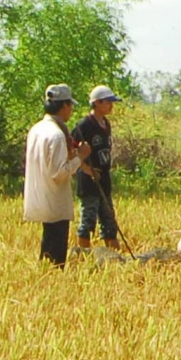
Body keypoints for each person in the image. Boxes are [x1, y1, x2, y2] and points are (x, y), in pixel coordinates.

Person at [23, 84, 92, 267]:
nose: (71, 110)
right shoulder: (56, 135)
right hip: (54, 199)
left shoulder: (36, 129)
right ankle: (51, 278)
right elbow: (59, 173)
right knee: (55, 253)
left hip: (39, 195)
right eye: (70, 106)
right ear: (64, 106)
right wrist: (80, 157)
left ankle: (45, 277)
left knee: (48, 244)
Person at [71, 85, 122, 250]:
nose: (111, 106)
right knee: (88, 219)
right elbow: (71, 149)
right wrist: (86, 168)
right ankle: (83, 254)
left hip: (104, 178)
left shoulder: (106, 124)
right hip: (88, 180)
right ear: (98, 103)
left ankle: (114, 255)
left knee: (109, 220)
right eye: (108, 102)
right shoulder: (84, 125)